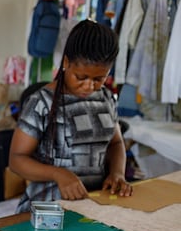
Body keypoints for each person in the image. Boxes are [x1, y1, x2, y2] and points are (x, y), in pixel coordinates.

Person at [9, 19, 133, 213]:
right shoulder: (41, 102)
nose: (89, 86)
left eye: (99, 79)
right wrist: (59, 174)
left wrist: (117, 173)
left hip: (95, 204)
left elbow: (116, 144)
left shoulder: (106, 98)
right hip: (49, 208)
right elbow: (16, 160)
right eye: (81, 77)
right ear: (66, 62)